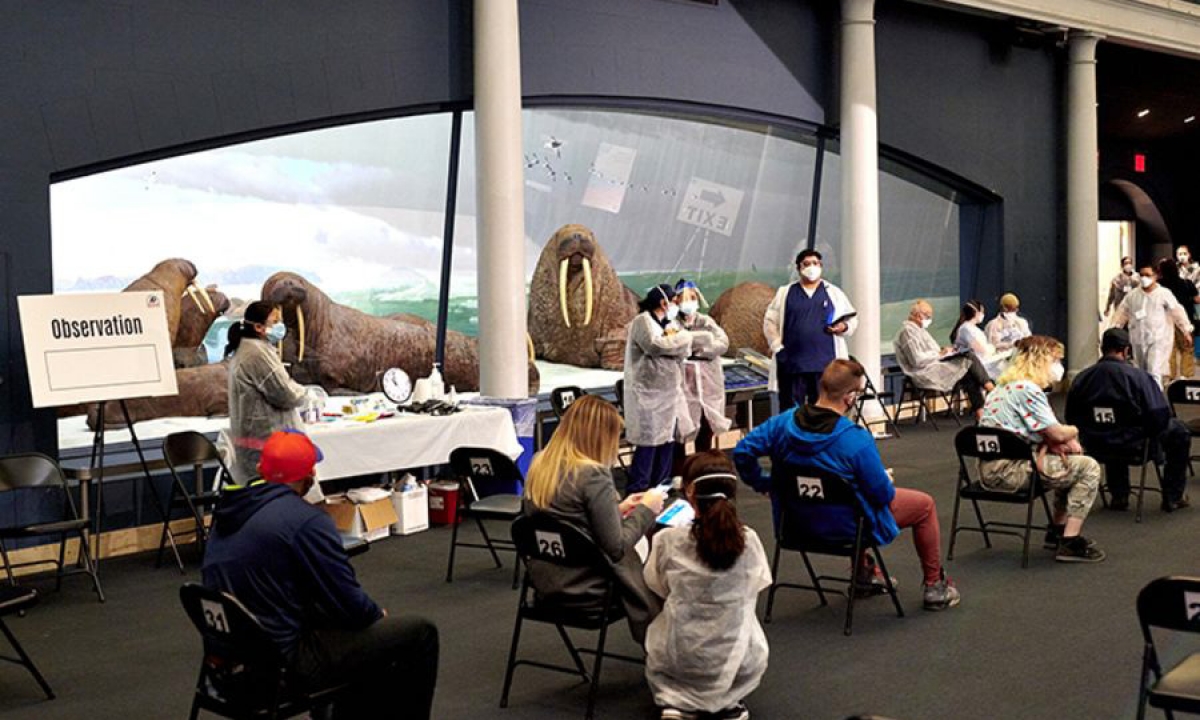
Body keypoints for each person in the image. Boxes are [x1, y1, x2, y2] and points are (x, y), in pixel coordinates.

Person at [202, 430, 439, 720]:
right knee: (418, 633)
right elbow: (351, 606)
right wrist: (377, 614)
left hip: (223, 670)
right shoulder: (305, 521)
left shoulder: (230, 512)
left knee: (342, 628)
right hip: (275, 672)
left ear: (262, 470)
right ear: (309, 475)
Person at [733, 358, 961, 611]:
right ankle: (934, 585)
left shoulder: (781, 424)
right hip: (846, 528)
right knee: (924, 505)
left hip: (795, 524)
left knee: (852, 494)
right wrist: (885, 480)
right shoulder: (855, 439)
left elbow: (742, 452)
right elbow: (882, 496)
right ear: (850, 397)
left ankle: (863, 575)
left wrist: (764, 483)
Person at [523, 394, 666, 643]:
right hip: (588, 587)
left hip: (546, 583)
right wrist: (646, 509)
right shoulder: (593, 475)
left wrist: (618, 509)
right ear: (600, 436)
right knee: (659, 560)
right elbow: (616, 548)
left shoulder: (539, 464)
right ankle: (662, 639)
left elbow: (568, 521)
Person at [644, 450, 771, 720]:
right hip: (737, 658)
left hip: (679, 657)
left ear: (690, 492)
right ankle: (728, 702)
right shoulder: (749, 541)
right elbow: (757, 585)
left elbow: (656, 584)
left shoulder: (668, 540)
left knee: (664, 620)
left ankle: (678, 704)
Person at [978, 336, 1106, 563]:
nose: (1058, 366)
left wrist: (1057, 441)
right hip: (1011, 472)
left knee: (1069, 462)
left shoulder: (1000, 389)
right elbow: (1057, 433)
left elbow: (1032, 431)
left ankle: (1057, 530)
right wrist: (1074, 431)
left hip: (988, 469)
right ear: (1041, 360)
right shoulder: (1028, 390)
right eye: (1055, 360)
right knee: (1088, 468)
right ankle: (1069, 541)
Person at [1065, 328, 1191, 512]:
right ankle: (1173, 496)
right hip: (1135, 445)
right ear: (1126, 350)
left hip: (1095, 444)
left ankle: (1119, 494)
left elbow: (1071, 417)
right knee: (1179, 432)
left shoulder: (1082, 378)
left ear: (1102, 348)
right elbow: (1159, 414)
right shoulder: (1139, 377)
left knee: (1110, 427)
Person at [225, 300, 309, 483]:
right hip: (266, 440)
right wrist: (305, 393)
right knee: (278, 490)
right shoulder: (256, 353)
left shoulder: (251, 348)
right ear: (258, 327)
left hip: (257, 440)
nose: (280, 326)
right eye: (275, 321)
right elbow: (285, 394)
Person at [763, 249, 857, 411]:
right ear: (799, 268)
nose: (811, 267)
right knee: (791, 410)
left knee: (823, 409)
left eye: (815, 263)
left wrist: (843, 327)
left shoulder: (833, 293)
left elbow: (852, 319)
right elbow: (770, 321)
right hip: (792, 363)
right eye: (806, 264)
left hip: (824, 364)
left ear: (821, 266)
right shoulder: (785, 293)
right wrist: (777, 346)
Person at [624, 284, 697, 492]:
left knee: (667, 441)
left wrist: (678, 341)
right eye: (674, 301)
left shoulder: (670, 323)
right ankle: (639, 489)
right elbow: (654, 346)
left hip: (669, 394)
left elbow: (685, 350)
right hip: (647, 394)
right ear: (663, 302)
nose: (677, 304)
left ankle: (660, 487)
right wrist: (682, 338)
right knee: (648, 443)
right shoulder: (642, 322)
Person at [893, 299, 994, 418]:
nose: (930, 319)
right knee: (969, 357)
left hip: (935, 364)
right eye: (928, 316)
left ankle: (980, 413)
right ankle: (992, 390)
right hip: (923, 371)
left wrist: (945, 351)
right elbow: (917, 360)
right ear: (919, 316)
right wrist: (939, 354)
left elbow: (935, 350)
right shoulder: (907, 332)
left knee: (969, 373)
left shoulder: (921, 331)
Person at [673, 278, 732, 457]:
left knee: (706, 431)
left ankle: (703, 465)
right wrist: (692, 345)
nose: (688, 303)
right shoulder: (673, 324)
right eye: (684, 299)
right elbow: (672, 345)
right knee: (680, 431)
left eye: (692, 298)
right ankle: (679, 470)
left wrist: (701, 351)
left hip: (708, 385)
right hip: (683, 387)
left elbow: (723, 343)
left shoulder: (706, 322)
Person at [1110, 262, 1193, 387]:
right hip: (1138, 339)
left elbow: (1177, 312)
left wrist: (1186, 330)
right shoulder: (1133, 296)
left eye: (1148, 275)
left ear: (1155, 276)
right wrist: (1113, 330)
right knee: (1141, 371)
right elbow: (1121, 313)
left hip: (1158, 339)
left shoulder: (1164, 294)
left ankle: (1155, 395)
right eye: (1142, 275)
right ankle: (1145, 395)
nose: (1144, 278)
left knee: (1154, 370)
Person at [1157, 257, 1200, 381]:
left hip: (1165, 321)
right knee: (1187, 348)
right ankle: (1185, 376)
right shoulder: (1186, 283)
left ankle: (1170, 376)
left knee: (1170, 349)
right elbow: (1197, 299)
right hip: (1184, 320)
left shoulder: (1158, 285)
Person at [951, 299, 1010, 379]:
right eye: (982, 312)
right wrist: (993, 348)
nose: (983, 314)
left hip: (983, 362)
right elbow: (980, 349)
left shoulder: (973, 328)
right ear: (976, 313)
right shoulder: (966, 328)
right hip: (978, 366)